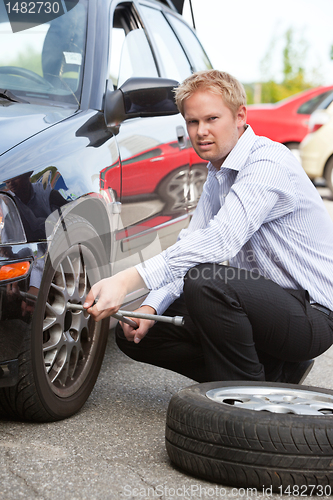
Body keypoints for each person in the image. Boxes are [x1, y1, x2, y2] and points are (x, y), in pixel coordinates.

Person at [85, 69, 333, 384]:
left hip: (311, 316)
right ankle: (270, 373)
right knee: (140, 331)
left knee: (208, 283)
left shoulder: (267, 164)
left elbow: (220, 241)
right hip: (263, 308)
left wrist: (125, 280)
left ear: (240, 116)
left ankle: (246, 400)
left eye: (212, 119)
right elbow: (192, 244)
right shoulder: (218, 173)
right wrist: (148, 304)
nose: (201, 131)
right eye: (193, 121)